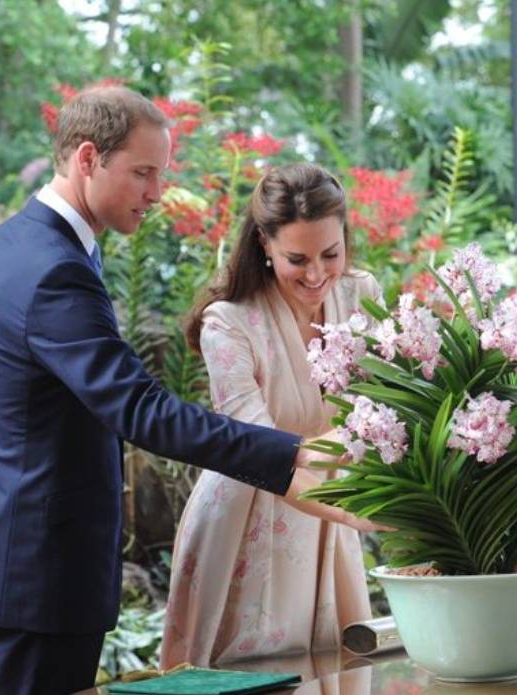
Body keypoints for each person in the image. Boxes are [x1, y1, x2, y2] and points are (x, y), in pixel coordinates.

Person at [0, 87, 377, 695]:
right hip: (37, 569)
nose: (156, 192)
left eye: (161, 174)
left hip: (24, 555)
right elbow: (139, 407)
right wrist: (287, 455)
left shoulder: (19, 243)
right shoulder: (52, 269)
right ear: (89, 158)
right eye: (143, 173)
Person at [160, 163, 376, 669]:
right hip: (249, 514)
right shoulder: (229, 323)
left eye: (331, 253)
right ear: (264, 244)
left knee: (333, 667)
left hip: (333, 513)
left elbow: (384, 404)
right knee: (245, 671)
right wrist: (363, 510)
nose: (318, 274)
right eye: (297, 259)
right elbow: (261, 452)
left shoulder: (360, 295)